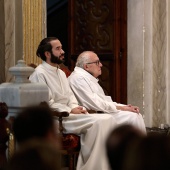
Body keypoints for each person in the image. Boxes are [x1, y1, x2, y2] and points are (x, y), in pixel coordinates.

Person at [29, 37, 117, 170]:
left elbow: (70, 97)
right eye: (58, 49)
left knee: (108, 118)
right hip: (56, 118)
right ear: (47, 54)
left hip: (70, 114)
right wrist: (70, 111)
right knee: (100, 122)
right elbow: (45, 103)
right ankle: (89, 167)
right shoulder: (39, 74)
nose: (62, 51)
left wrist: (76, 107)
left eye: (61, 47)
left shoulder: (61, 73)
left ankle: (100, 166)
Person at [68, 51, 146, 133]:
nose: (101, 65)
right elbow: (94, 103)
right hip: (92, 115)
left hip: (101, 112)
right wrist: (122, 108)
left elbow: (105, 101)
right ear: (86, 66)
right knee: (132, 117)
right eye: (97, 62)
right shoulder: (78, 79)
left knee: (135, 114)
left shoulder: (87, 78)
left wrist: (125, 107)